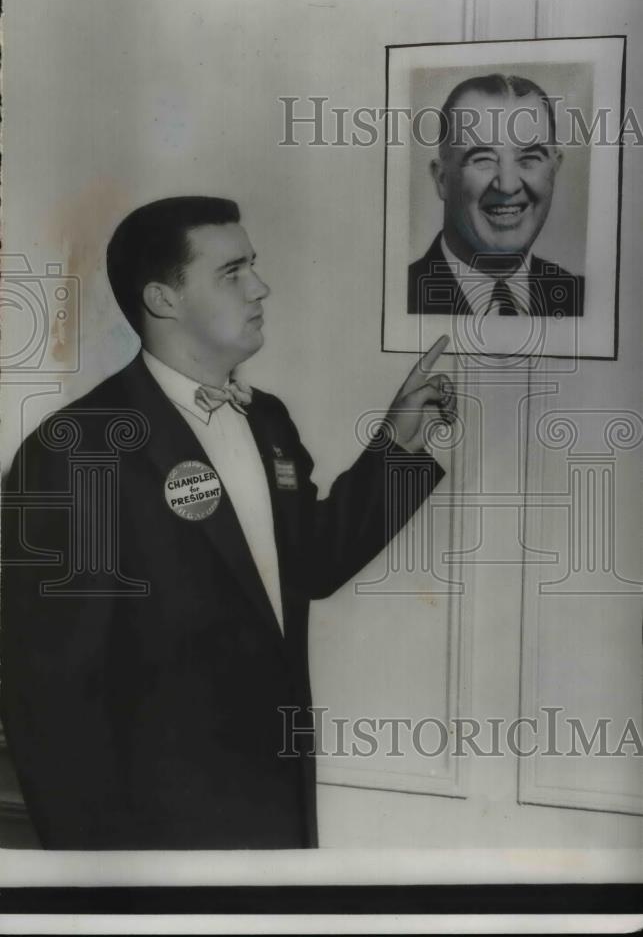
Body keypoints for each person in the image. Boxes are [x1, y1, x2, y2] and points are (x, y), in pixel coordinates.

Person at [1, 196, 455, 850]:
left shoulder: (266, 417)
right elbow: (48, 691)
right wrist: (91, 873)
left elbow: (310, 565)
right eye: (233, 271)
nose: (260, 287)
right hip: (153, 835)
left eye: (255, 266)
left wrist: (397, 448)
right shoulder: (78, 448)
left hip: (275, 804)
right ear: (163, 299)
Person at [407, 73, 585, 318]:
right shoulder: (400, 296)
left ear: (554, 169)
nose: (507, 186)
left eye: (529, 158)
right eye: (482, 159)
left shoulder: (582, 301)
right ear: (442, 180)